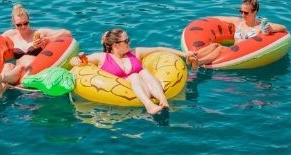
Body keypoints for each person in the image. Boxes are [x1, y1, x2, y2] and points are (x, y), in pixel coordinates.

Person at [69, 28, 197, 115]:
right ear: (115, 45)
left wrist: (185, 55)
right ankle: (149, 105)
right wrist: (75, 60)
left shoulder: (136, 52)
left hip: (147, 86)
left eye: (128, 39)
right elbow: (76, 61)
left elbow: (159, 49)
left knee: (143, 72)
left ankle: (162, 99)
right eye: (126, 41)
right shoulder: (102, 57)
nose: (129, 42)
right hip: (122, 92)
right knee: (135, 75)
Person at [0, 4, 71, 97]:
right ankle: (0, 87)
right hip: (16, 74)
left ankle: (1, 81)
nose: (23, 27)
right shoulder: (10, 35)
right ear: (13, 24)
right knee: (9, 66)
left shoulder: (40, 33)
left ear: (29, 20)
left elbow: (66, 33)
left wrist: (47, 40)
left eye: (26, 23)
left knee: (20, 68)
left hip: (33, 72)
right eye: (19, 25)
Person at [192, 0, 288, 67]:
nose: (242, 15)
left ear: (255, 12)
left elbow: (283, 27)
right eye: (241, 11)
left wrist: (270, 28)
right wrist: (202, 20)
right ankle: (193, 56)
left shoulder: (259, 27)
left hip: (242, 56)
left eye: (246, 13)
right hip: (230, 53)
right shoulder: (238, 22)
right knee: (215, 45)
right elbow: (218, 18)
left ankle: (199, 62)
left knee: (220, 48)